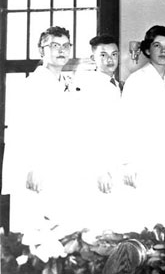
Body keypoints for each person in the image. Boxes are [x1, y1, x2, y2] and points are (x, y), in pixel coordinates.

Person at [2, 26, 81, 234]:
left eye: (66, 45)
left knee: (62, 233)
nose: (61, 50)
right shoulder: (31, 85)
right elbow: (21, 133)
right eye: (55, 45)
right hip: (37, 169)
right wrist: (32, 168)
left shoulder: (68, 84)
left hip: (62, 167)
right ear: (41, 50)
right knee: (38, 234)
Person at [120, 25, 165, 233]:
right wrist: (128, 163)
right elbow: (126, 124)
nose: (163, 50)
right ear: (148, 49)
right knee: (147, 219)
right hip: (145, 161)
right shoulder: (136, 81)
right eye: (157, 45)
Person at [72, 34, 123, 231]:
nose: (110, 60)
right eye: (103, 55)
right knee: (97, 226)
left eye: (114, 54)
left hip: (114, 164)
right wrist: (100, 170)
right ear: (93, 58)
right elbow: (87, 132)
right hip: (98, 167)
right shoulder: (89, 86)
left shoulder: (115, 85)